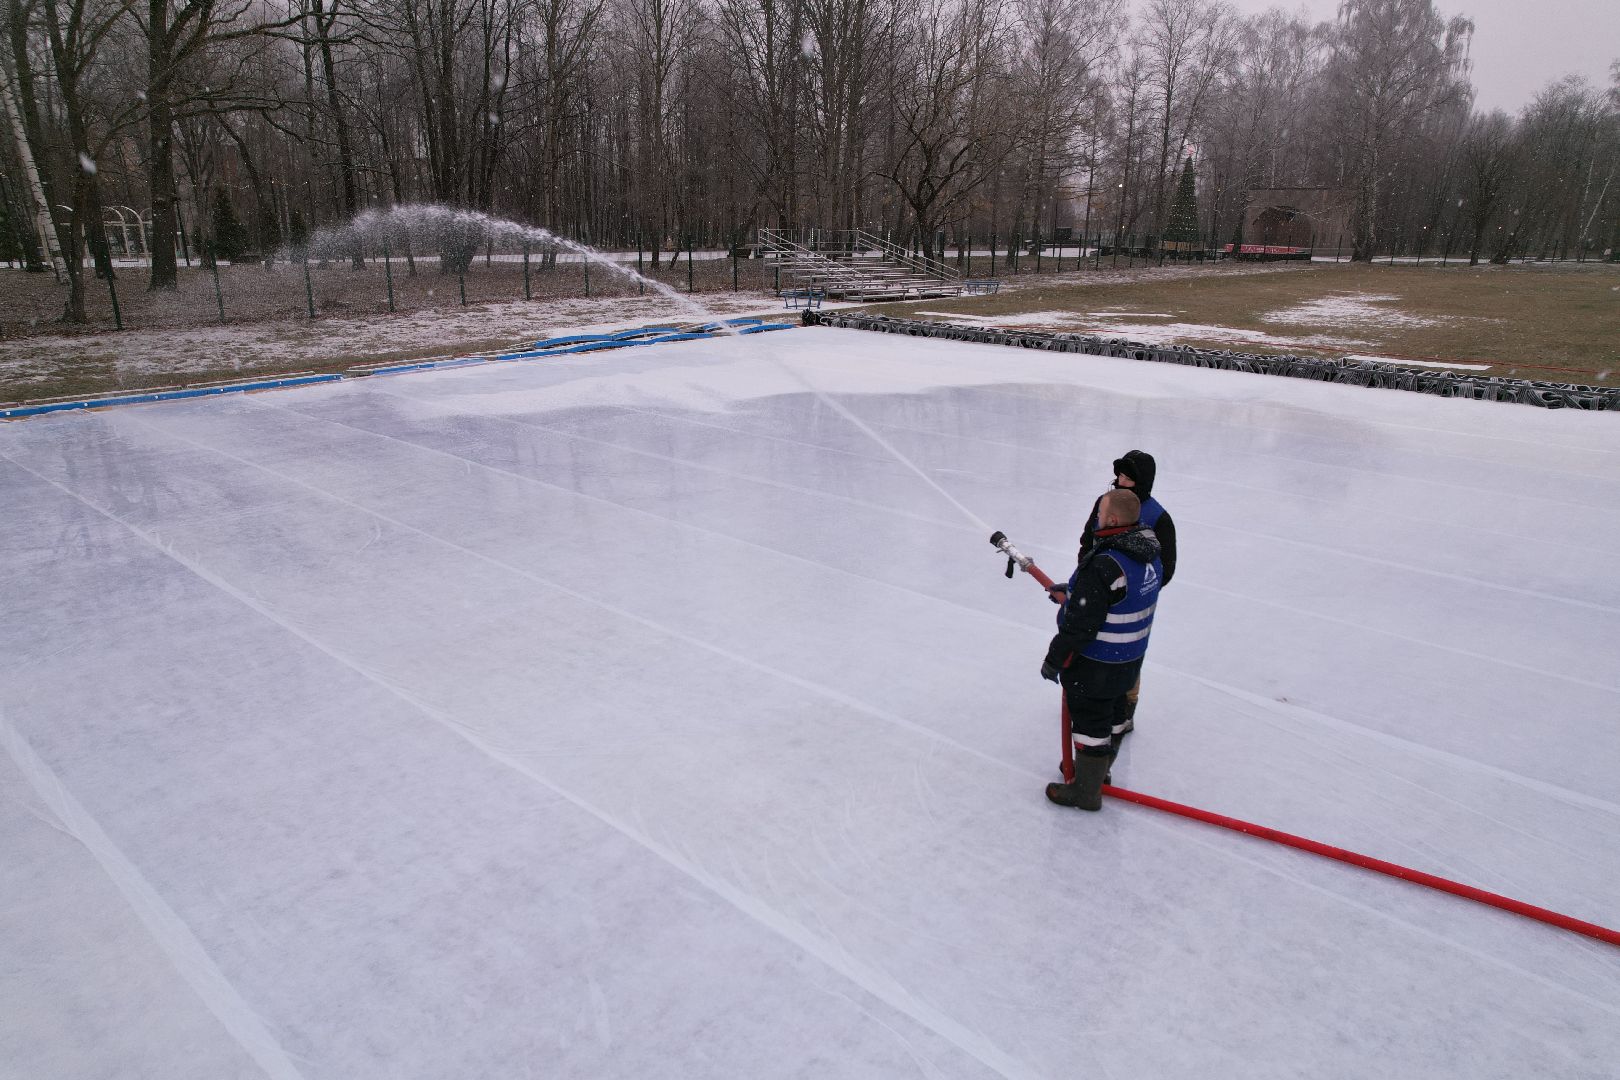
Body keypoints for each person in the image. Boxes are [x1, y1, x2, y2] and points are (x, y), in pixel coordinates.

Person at [1041, 488, 1164, 810]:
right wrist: (1074, 590)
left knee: (1091, 723)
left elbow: (1080, 627)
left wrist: (1055, 660)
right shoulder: (1149, 554)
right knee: (1114, 717)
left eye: (1100, 513)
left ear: (1111, 520)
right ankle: (1096, 773)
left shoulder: (1106, 564)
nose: (1096, 518)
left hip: (1098, 663)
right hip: (1130, 659)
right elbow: (1120, 595)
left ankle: (1086, 792)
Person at [1073, 449, 1175, 736]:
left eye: (1128, 478)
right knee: (1090, 647)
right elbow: (1087, 542)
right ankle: (1088, 702)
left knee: (1126, 655)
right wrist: (1086, 578)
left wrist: (1133, 591)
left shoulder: (1158, 517)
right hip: (1096, 593)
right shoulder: (1105, 503)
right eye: (1119, 475)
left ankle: (1125, 709)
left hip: (1129, 605)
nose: (1120, 481)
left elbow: (1166, 567)